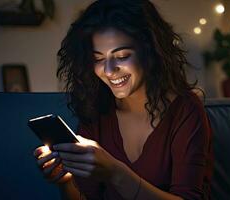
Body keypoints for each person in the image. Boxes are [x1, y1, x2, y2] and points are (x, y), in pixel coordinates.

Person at [33, 0, 213, 199]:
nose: (109, 70)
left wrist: (115, 172)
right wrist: (65, 180)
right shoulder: (98, 109)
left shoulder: (185, 110)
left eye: (122, 55)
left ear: (150, 51)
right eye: (99, 59)